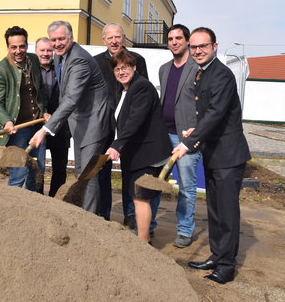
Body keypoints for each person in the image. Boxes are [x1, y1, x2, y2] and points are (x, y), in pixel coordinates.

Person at [176, 27, 251, 285]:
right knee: (215, 211)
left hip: (228, 155)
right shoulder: (202, 73)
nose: (197, 51)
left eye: (202, 46)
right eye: (193, 47)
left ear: (214, 47)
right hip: (214, 153)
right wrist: (195, 130)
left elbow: (217, 113)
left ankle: (227, 266)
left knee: (227, 213)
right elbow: (208, 115)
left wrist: (189, 142)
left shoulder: (222, 75)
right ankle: (217, 256)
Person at [30, 20, 113, 217]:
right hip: (80, 122)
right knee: (79, 171)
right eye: (54, 40)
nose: (57, 43)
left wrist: (45, 129)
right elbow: (64, 93)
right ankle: (82, 213)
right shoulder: (61, 57)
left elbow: (71, 98)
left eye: (61, 39)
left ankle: (90, 220)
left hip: (95, 122)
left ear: (71, 38)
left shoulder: (79, 60)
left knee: (88, 174)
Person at [93, 23, 157, 230]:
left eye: (117, 36)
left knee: (131, 170)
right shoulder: (95, 63)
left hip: (129, 125)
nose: (114, 41)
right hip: (105, 124)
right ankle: (103, 213)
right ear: (104, 40)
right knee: (103, 170)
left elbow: (142, 95)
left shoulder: (137, 60)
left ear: (123, 38)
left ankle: (131, 215)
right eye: (110, 37)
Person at [105, 49, 169, 244]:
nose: (121, 72)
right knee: (139, 197)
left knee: (141, 197)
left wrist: (117, 144)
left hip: (148, 153)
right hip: (137, 153)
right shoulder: (125, 89)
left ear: (134, 67)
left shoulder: (141, 87)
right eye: (117, 69)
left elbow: (135, 120)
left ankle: (143, 242)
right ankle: (143, 235)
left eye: (125, 67)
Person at [159, 24, 203, 248]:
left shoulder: (197, 68)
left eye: (178, 38)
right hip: (162, 134)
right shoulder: (164, 68)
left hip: (185, 137)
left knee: (186, 184)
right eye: (170, 38)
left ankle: (185, 230)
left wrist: (194, 134)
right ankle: (149, 225)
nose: (174, 42)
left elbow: (203, 105)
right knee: (156, 180)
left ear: (187, 41)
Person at [0, 26, 48, 192]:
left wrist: (44, 109)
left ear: (27, 45)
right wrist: (6, 121)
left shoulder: (34, 60)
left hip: (38, 126)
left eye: (21, 46)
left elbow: (41, 90)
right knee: (18, 172)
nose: (18, 50)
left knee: (38, 170)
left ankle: (35, 208)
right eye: (13, 47)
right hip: (17, 129)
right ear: (8, 47)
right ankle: (10, 210)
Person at [35, 37, 71, 197]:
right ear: (36, 51)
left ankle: (56, 201)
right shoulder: (30, 70)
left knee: (60, 168)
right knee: (37, 167)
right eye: (42, 50)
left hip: (61, 127)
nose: (45, 53)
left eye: (49, 50)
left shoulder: (63, 69)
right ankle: (37, 201)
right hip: (37, 126)